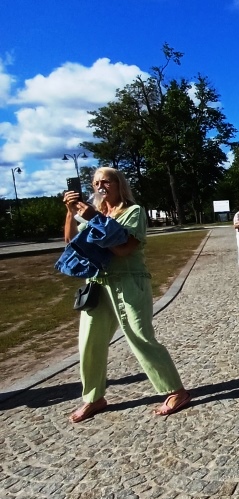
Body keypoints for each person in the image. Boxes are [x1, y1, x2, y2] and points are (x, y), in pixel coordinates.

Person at [62, 167, 190, 423]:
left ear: (119, 184)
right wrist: (70, 212)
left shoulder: (134, 211)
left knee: (140, 336)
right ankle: (93, 398)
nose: (100, 186)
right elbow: (70, 243)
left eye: (106, 181)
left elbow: (123, 248)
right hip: (97, 284)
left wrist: (94, 219)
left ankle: (176, 391)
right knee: (89, 342)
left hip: (129, 281)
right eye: (96, 182)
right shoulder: (93, 213)